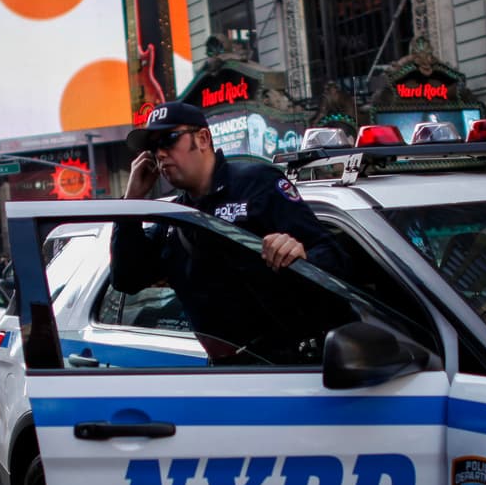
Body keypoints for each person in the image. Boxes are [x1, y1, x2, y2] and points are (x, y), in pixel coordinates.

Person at [111, 101, 346, 364]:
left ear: (202, 138)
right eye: (153, 148)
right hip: (226, 372)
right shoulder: (172, 218)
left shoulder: (257, 183)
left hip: (288, 366)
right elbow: (126, 280)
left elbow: (334, 259)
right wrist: (130, 203)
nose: (160, 154)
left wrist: (299, 255)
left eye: (168, 140)